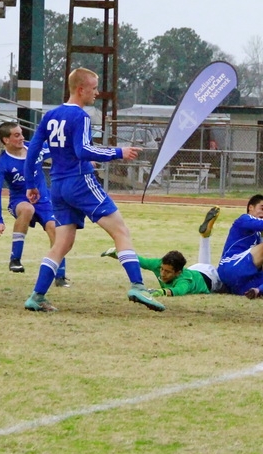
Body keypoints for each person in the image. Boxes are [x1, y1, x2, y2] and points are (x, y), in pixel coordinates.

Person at [22, 67, 164, 313]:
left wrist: (31, 184)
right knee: (121, 231)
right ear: (80, 89)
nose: (97, 93)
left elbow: (32, 150)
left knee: (62, 243)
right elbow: (82, 151)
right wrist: (119, 152)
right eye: (94, 88)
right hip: (80, 182)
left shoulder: (50, 115)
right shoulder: (82, 117)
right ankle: (137, 285)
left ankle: (37, 296)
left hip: (58, 185)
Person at [0, 122, 71, 286]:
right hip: (19, 201)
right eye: (17, 135)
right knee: (27, 209)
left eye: (21, 133)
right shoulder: (2, 163)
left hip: (44, 200)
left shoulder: (35, 149)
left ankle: (60, 275)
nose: (22, 138)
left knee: (54, 228)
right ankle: (15, 259)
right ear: (6, 140)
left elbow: (60, 148)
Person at [101, 206, 224, 296]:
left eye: (168, 272)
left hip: (213, 278)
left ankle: (205, 237)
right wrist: (118, 253)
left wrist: (160, 292)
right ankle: (205, 236)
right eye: (162, 269)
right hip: (198, 271)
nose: (163, 273)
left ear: (178, 273)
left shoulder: (184, 281)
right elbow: (140, 261)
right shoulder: (160, 264)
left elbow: (178, 291)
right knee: (204, 263)